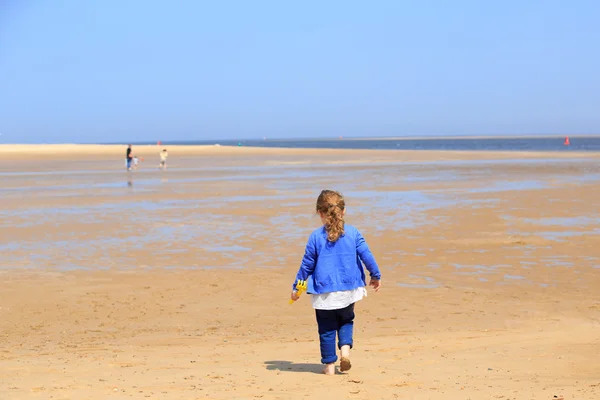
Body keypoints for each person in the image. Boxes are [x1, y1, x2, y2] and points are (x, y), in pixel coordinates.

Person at [290, 189, 381, 375]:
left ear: (320, 213)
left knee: (326, 329)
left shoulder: (316, 237)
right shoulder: (353, 233)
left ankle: (330, 367)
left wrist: (297, 289)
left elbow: (306, 267)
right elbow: (367, 255)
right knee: (346, 320)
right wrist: (375, 275)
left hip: (324, 292)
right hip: (348, 289)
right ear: (344, 211)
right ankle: (345, 352)